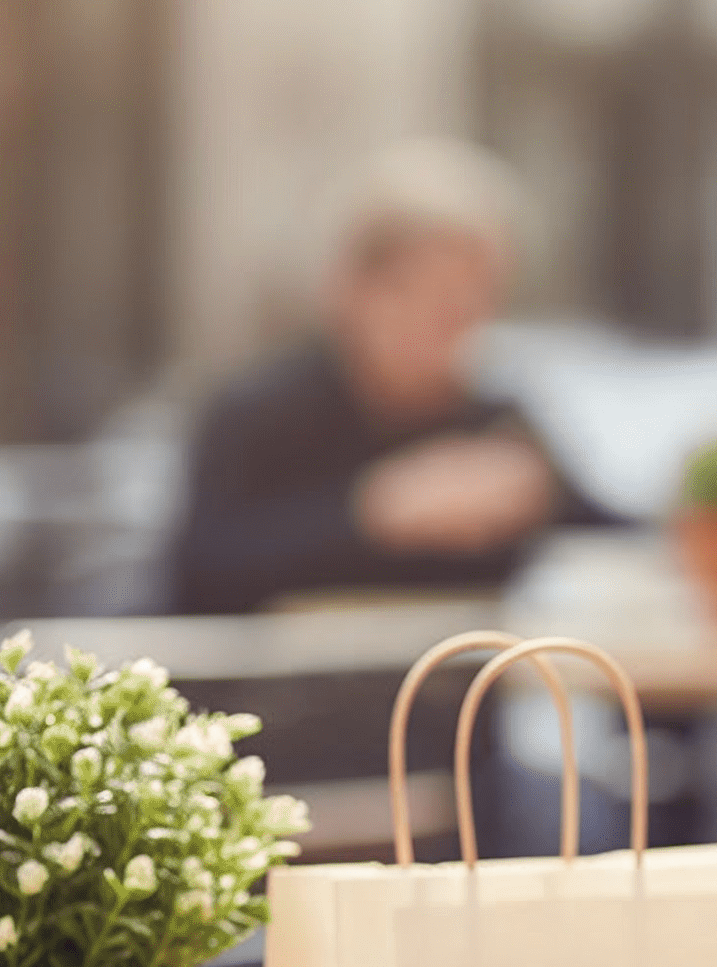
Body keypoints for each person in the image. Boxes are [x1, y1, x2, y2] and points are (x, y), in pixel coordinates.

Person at [167, 139, 610, 615]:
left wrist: (539, 498)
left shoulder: (495, 423)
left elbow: (615, 542)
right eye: (428, 297)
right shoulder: (258, 414)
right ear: (352, 289)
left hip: (464, 687)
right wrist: (373, 513)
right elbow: (199, 574)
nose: (452, 324)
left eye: (474, 300)